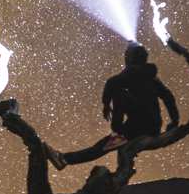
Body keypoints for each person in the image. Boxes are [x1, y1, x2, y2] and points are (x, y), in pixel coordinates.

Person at [44, 41, 180, 170]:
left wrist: (106, 104)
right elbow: (168, 97)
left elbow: (112, 83)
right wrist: (174, 121)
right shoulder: (152, 77)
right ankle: (65, 159)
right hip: (152, 126)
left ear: (131, 58)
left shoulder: (131, 73)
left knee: (101, 146)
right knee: (102, 146)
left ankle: (64, 159)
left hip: (135, 129)